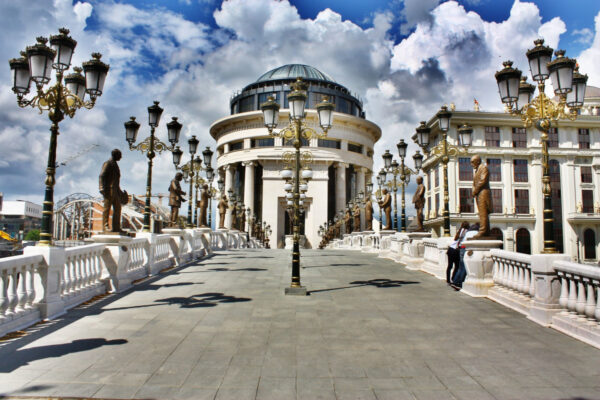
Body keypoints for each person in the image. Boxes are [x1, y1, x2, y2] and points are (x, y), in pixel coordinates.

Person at [99, 149, 127, 233]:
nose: (121, 157)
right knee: (107, 208)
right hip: (109, 190)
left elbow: (116, 181)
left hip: (116, 190)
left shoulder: (115, 165)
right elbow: (102, 175)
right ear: (115, 155)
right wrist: (101, 187)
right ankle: (105, 226)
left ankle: (116, 227)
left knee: (118, 208)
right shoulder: (108, 163)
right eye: (120, 155)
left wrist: (120, 192)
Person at [452, 223, 479, 289]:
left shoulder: (468, 232)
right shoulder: (477, 233)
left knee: (460, 267)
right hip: (466, 249)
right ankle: (459, 283)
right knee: (464, 267)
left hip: (462, 248)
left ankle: (455, 281)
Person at [471, 155, 492, 238]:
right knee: (482, 213)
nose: (471, 164)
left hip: (483, 193)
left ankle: (483, 231)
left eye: (472, 162)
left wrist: (475, 190)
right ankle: (485, 231)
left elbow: (483, 181)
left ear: (478, 161)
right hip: (479, 193)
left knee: (483, 212)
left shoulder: (483, 168)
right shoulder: (477, 170)